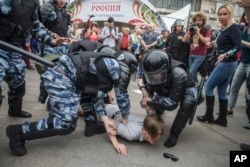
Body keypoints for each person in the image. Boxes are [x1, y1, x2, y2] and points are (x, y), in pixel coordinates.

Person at [5, 40, 137, 156]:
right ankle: (17, 132)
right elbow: (122, 96)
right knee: (66, 124)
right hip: (61, 78)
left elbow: (95, 95)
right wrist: (124, 116)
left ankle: (91, 125)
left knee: (88, 95)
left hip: (64, 76)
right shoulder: (116, 67)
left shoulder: (104, 63)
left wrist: (106, 120)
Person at [0, 0, 64, 118]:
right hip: (1, 47)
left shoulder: (33, 3)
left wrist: (51, 40)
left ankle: (15, 111)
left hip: (16, 49)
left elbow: (35, 25)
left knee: (18, 84)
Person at [137, 50, 198, 148]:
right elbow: (148, 88)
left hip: (186, 88)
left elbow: (172, 103)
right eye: (150, 76)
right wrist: (145, 92)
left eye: (155, 75)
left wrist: (150, 101)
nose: (153, 78)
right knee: (156, 105)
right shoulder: (150, 71)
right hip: (166, 87)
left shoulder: (179, 73)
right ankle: (156, 116)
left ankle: (174, 134)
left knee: (188, 103)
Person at [197, 4, 242, 127]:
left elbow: (238, 46)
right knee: (222, 92)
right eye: (220, 14)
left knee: (208, 87)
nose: (222, 16)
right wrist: (213, 45)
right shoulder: (225, 28)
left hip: (227, 63)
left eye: (225, 14)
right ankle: (222, 119)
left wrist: (226, 54)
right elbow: (224, 45)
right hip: (226, 62)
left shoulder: (234, 28)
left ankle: (209, 115)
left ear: (231, 14)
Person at [80, 91, 164, 155]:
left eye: (159, 135)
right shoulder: (131, 134)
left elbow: (152, 114)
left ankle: (99, 95)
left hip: (117, 110)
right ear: (144, 131)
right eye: (155, 135)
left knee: (100, 98)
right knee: (82, 110)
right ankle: (85, 95)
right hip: (108, 112)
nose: (158, 138)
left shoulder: (149, 121)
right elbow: (111, 124)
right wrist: (116, 144)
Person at [227, 12, 249, 117]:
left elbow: (240, 43)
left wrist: (240, 41)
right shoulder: (244, 29)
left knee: (248, 91)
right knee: (234, 86)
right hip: (243, 62)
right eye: (245, 15)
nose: (246, 17)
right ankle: (229, 108)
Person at [183, 12, 211, 83]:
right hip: (192, 53)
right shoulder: (193, 29)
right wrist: (188, 31)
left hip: (200, 54)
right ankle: (197, 89)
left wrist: (198, 32)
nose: (198, 22)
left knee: (191, 72)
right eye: (196, 20)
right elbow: (184, 40)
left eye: (200, 20)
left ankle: (194, 88)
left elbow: (206, 41)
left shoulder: (206, 30)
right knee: (193, 73)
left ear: (203, 21)